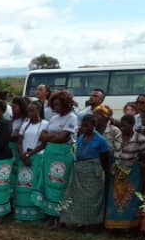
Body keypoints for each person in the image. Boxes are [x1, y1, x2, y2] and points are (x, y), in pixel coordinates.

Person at [34, 91, 78, 227]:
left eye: (58, 104)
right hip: (50, 154)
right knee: (49, 184)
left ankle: (59, 217)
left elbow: (63, 138)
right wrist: (53, 137)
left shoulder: (72, 118)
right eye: (54, 104)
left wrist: (51, 137)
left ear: (66, 103)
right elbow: (42, 136)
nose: (56, 107)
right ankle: (49, 214)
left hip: (63, 156)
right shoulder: (53, 118)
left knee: (60, 185)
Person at [59, 114, 111, 228]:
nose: (84, 128)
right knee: (78, 198)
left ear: (93, 126)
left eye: (87, 126)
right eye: (83, 126)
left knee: (92, 199)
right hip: (79, 171)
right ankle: (79, 221)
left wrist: (104, 173)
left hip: (93, 171)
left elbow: (105, 158)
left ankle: (92, 225)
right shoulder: (80, 138)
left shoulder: (101, 140)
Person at [105, 115, 145, 231]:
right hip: (118, 171)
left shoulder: (140, 138)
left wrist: (142, 169)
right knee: (116, 198)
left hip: (132, 172)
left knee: (129, 198)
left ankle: (128, 226)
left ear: (131, 125)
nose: (122, 128)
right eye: (121, 126)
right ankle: (114, 224)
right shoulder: (118, 137)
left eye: (124, 126)